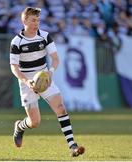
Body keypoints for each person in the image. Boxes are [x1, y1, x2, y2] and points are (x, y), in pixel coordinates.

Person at [9, 7, 85, 157]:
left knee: (61, 108)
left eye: (38, 20)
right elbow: (14, 67)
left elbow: (55, 59)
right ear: (24, 21)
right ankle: (19, 126)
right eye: (33, 20)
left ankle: (72, 146)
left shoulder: (44, 36)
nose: (36, 23)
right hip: (27, 81)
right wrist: (26, 81)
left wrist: (50, 73)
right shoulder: (17, 42)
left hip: (44, 77)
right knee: (35, 122)